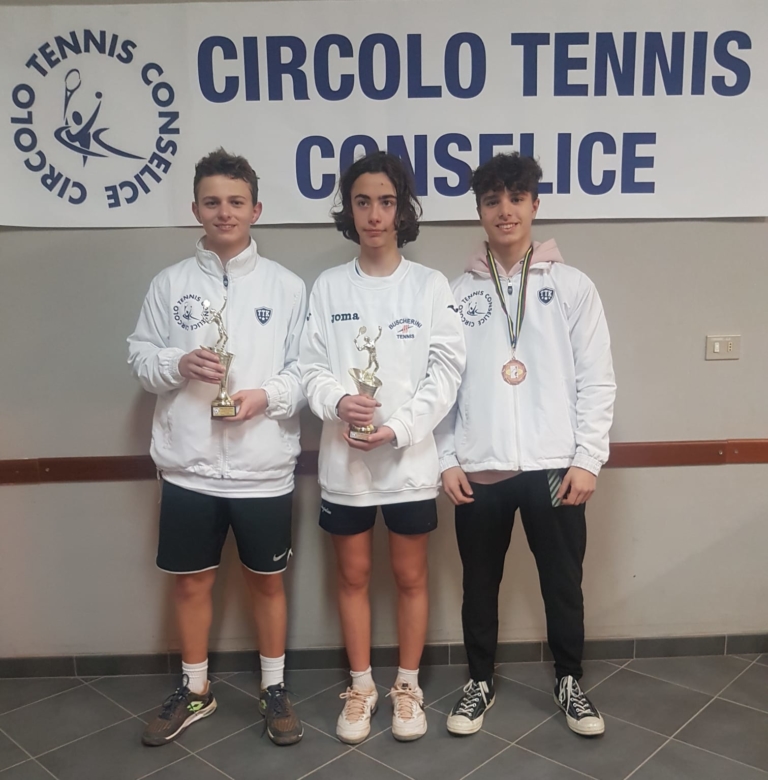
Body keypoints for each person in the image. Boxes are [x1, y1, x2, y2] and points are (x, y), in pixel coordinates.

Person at [127, 148, 306, 747]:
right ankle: (196, 688)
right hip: (189, 469)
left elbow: (305, 372)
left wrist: (267, 397)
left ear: (256, 209)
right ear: (195, 209)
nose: (224, 212)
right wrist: (176, 363)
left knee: (267, 583)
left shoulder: (286, 286)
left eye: (235, 202)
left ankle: (274, 688)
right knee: (190, 584)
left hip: (263, 469)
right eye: (212, 202)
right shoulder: (170, 283)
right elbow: (140, 358)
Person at [437, 152, 616, 738]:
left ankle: (569, 680)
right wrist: (446, 458)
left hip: (555, 468)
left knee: (562, 582)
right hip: (480, 467)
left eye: (516, 198)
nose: (505, 211)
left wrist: (587, 459)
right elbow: (440, 384)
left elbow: (597, 379)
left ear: (535, 205)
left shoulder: (572, 287)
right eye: (492, 200)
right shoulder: (456, 294)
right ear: (479, 211)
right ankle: (479, 681)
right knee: (479, 584)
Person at [299, 151, 465, 744]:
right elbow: (310, 367)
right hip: (346, 466)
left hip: (409, 465)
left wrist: (398, 428)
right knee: (353, 576)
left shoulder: (429, 286)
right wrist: (338, 402)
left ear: (403, 210)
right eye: (362, 201)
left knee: (411, 576)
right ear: (348, 209)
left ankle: (408, 687)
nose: (374, 215)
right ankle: (362, 686)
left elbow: (446, 373)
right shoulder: (328, 287)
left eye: (386, 202)